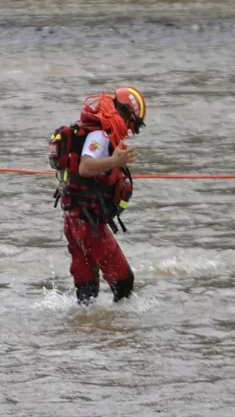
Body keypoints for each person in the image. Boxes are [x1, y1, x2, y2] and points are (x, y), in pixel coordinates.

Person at [48, 87, 146, 305]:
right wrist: (114, 162)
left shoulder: (90, 129)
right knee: (124, 282)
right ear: (125, 114)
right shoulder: (100, 135)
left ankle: (87, 333)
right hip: (88, 226)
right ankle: (116, 333)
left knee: (86, 292)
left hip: (73, 222)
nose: (131, 131)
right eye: (134, 125)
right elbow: (85, 167)